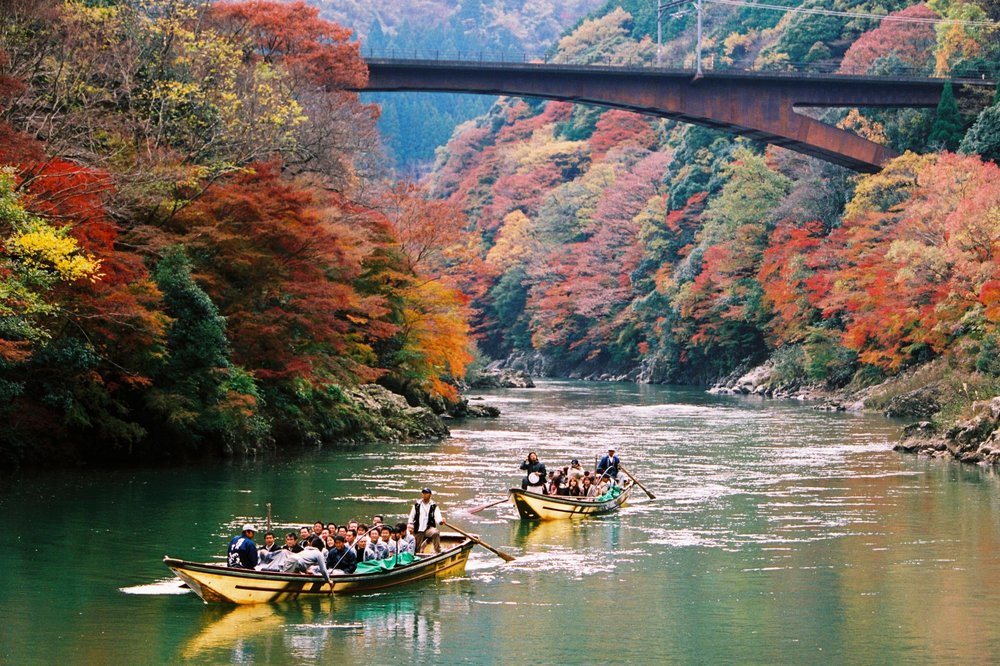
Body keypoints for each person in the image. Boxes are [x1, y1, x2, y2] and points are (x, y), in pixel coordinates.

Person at [407, 487, 445, 554]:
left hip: (428, 528)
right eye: (423, 493)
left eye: (426, 493)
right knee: (416, 549)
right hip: (418, 528)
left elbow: (438, 517)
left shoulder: (434, 506)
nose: (424, 495)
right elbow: (411, 517)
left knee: (435, 532)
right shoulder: (417, 505)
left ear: (430, 495)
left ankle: (438, 550)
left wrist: (441, 521)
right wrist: (410, 524)